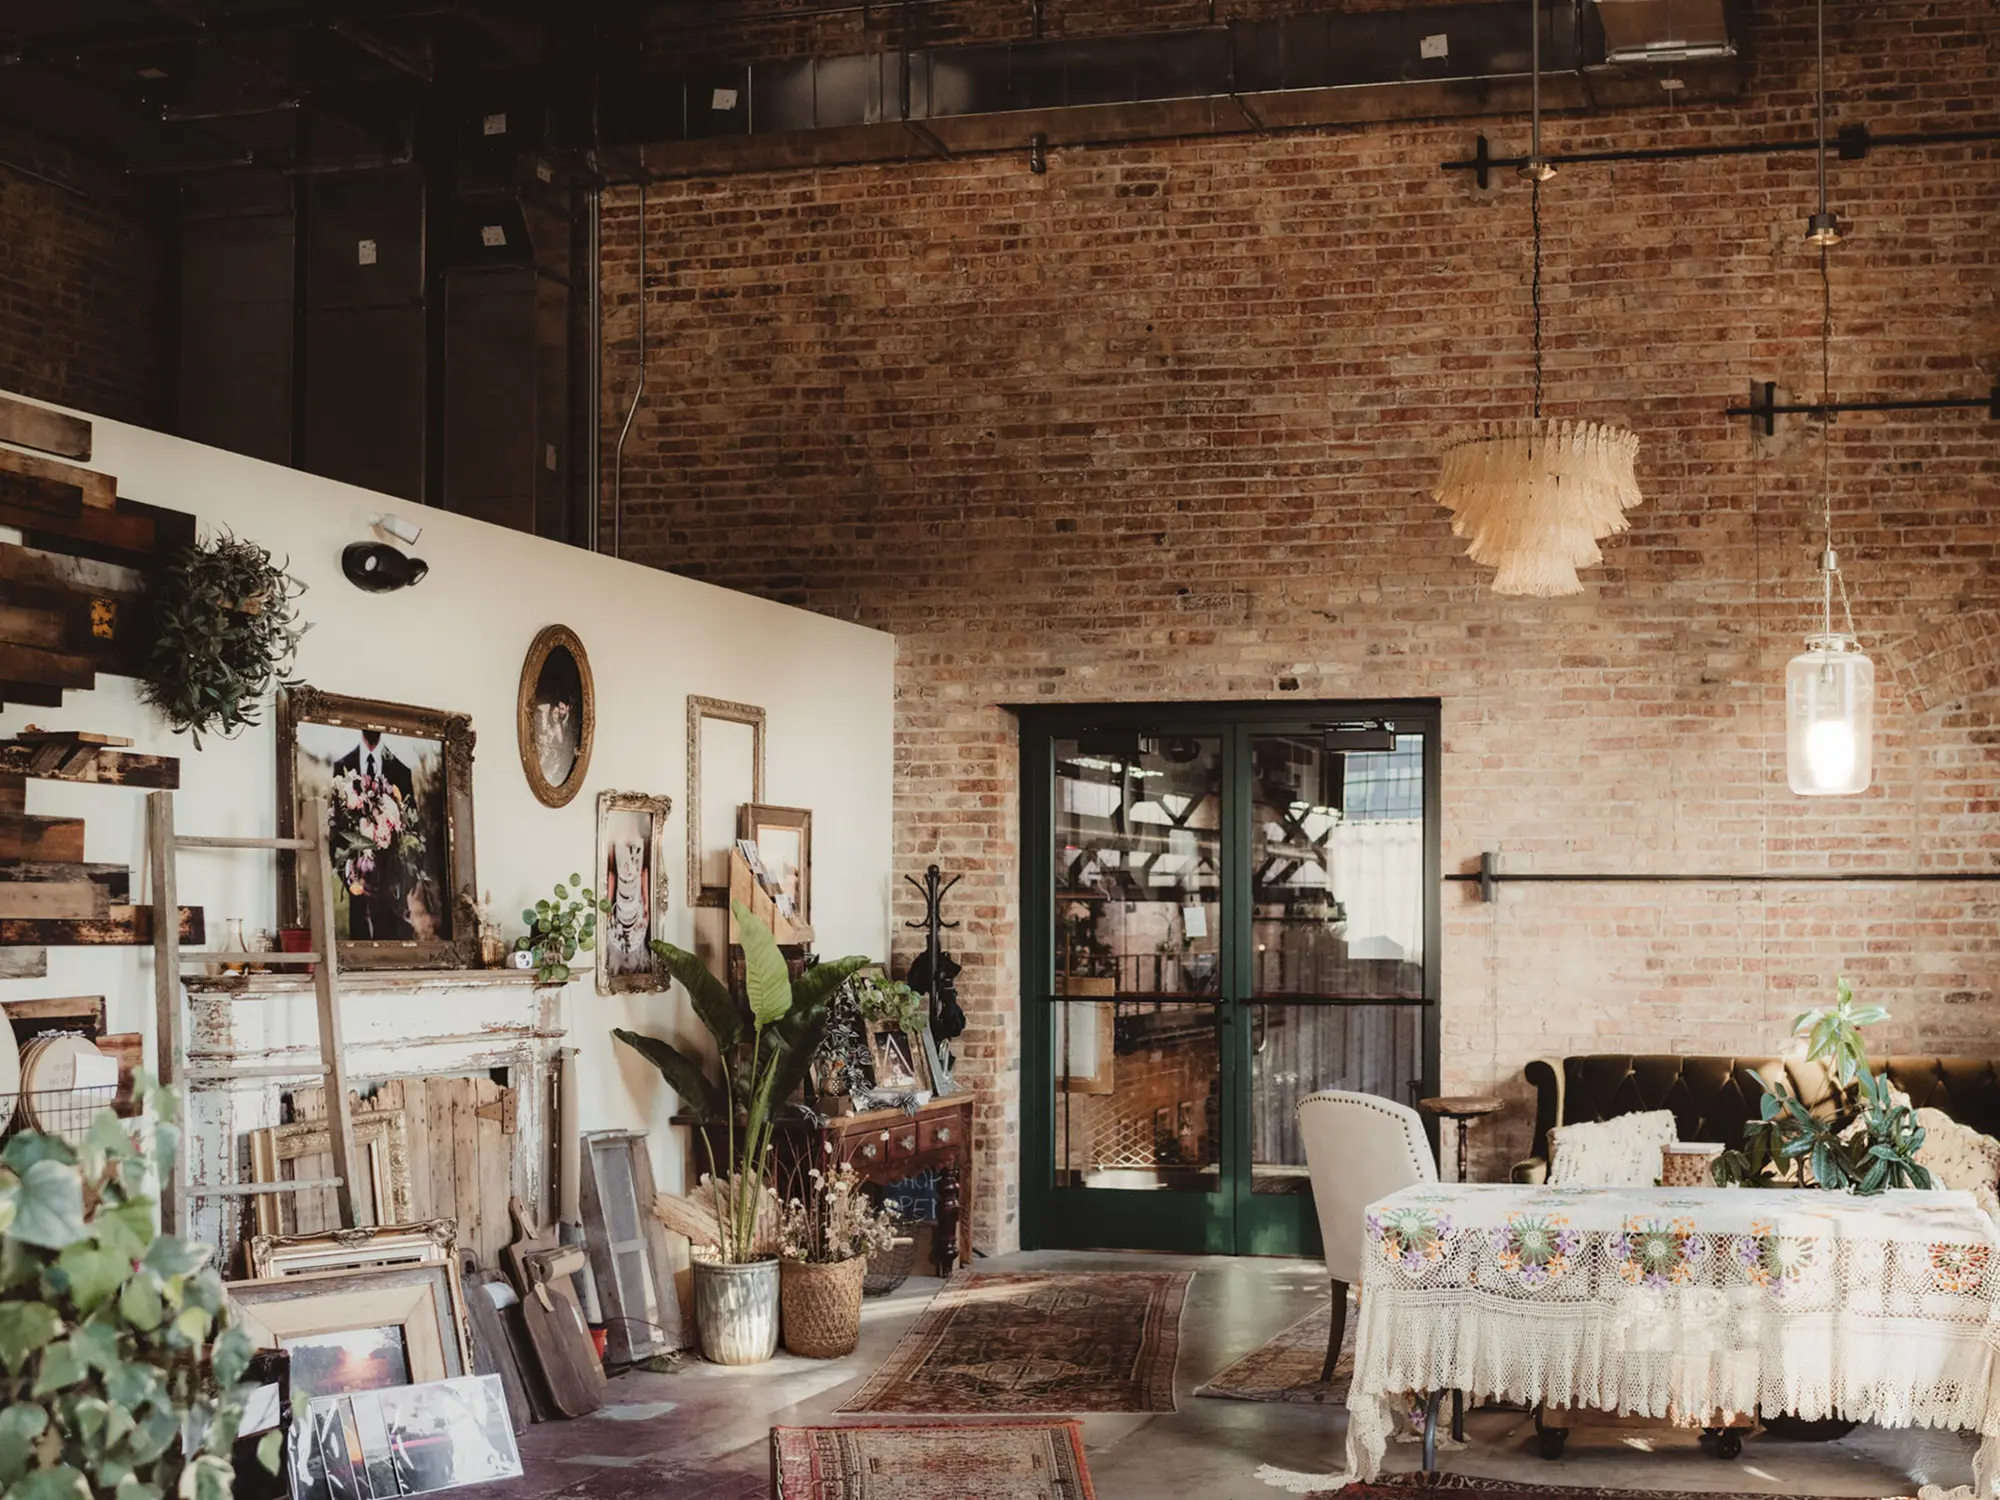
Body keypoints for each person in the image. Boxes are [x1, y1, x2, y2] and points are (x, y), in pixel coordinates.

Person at [333, 730, 416, 940]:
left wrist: (402, 883)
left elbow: (413, 832)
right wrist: (349, 880)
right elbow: (336, 831)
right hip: (358, 884)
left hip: (391, 888)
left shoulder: (401, 771)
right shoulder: (342, 767)